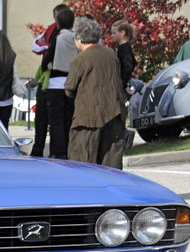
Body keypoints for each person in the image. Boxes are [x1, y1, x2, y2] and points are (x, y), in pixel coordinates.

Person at [65, 16, 126, 168]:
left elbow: (69, 88)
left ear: (79, 39)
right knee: (111, 164)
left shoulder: (80, 60)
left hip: (87, 117)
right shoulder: (111, 54)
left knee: (83, 161)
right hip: (114, 113)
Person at [31, 4, 69, 157]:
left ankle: (55, 151)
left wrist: (47, 49)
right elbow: (35, 45)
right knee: (52, 119)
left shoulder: (61, 35)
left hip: (52, 80)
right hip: (59, 80)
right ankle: (46, 150)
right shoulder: (52, 30)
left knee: (54, 121)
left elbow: (44, 54)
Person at [42, 6, 77, 158]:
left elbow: (47, 59)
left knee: (56, 120)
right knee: (69, 118)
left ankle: (58, 151)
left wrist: (47, 66)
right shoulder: (76, 38)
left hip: (56, 82)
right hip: (71, 81)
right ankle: (69, 149)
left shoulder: (59, 38)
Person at [111, 20, 136, 95]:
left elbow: (128, 66)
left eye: (114, 33)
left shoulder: (124, 48)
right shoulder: (122, 47)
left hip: (122, 84)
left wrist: (123, 84)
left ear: (122, 33)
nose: (112, 35)